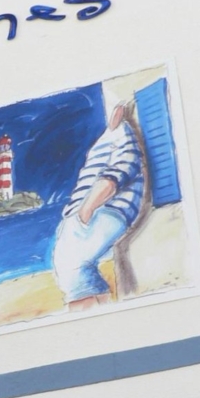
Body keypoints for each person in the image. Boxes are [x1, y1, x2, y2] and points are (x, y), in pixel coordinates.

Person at [52, 100, 144, 311]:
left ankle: (91, 316)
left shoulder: (126, 146)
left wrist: (85, 212)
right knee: (75, 274)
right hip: (84, 216)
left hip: (100, 213)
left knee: (73, 272)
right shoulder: (106, 142)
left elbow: (112, 179)